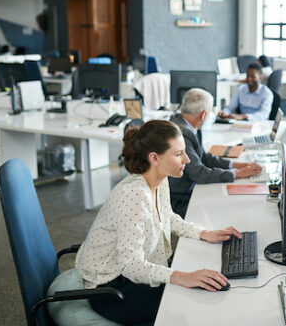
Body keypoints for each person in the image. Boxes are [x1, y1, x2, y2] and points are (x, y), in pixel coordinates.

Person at [75, 120, 241, 324]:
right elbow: (131, 265)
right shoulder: (133, 195)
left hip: (134, 274)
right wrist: (183, 277)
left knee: (204, 282)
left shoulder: (159, 180)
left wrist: (203, 233)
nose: (187, 159)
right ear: (154, 158)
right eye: (179, 154)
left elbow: (167, 217)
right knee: (195, 304)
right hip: (111, 289)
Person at [169, 88, 262, 216]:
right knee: (225, 208)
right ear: (203, 115)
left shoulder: (188, 125)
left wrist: (235, 165)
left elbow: (204, 157)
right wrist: (237, 174)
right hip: (179, 198)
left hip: (189, 189)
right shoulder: (181, 133)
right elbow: (199, 173)